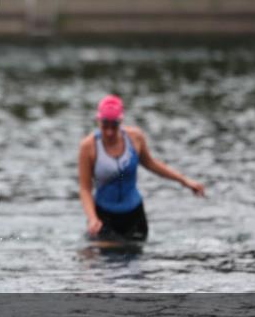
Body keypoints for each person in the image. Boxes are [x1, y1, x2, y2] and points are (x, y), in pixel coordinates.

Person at [78, 95, 205, 242]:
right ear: (98, 120)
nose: (109, 132)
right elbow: (85, 189)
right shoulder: (88, 147)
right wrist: (92, 218)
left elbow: (152, 164)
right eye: (105, 125)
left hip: (134, 215)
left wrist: (184, 181)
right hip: (103, 216)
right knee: (100, 258)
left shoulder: (135, 138)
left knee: (135, 260)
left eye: (114, 125)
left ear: (121, 121)